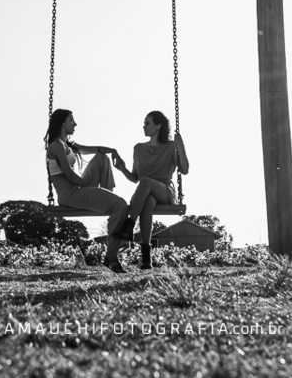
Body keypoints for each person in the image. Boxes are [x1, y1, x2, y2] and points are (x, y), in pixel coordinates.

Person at [44, 108, 132, 273]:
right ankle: (111, 257)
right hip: (70, 194)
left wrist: (113, 150)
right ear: (62, 123)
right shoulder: (56, 146)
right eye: (71, 120)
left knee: (101, 157)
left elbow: (96, 149)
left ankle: (108, 201)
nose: (75, 124)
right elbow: (69, 175)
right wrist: (87, 186)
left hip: (77, 189)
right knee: (120, 205)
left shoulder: (69, 145)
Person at [112, 111, 189, 270]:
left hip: (165, 191)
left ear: (158, 125)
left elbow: (185, 169)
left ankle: (129, 225)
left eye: (148, 123)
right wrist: (122, 169)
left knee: (146, 182)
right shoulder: (138, 148)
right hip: (145, 193)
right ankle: (146, 258)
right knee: (148, 201)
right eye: (144, 123)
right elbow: (135, 178)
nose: (144, 126)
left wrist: (180, 144)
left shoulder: (171, 146)